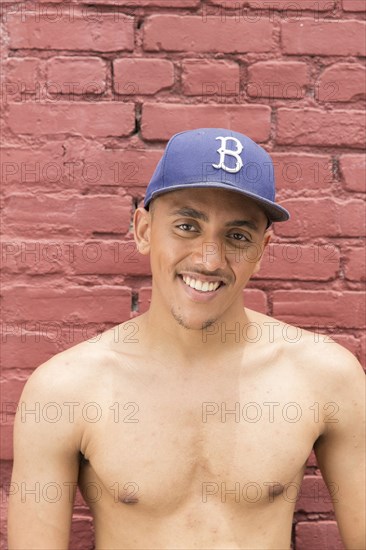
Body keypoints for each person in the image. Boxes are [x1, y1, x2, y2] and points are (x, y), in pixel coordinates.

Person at [8, 128, 365, 549]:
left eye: (237, 236)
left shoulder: (325, 376)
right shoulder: (65, 389)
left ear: (262, 249)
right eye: (186, 225)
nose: (208, 259)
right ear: (143, 230)